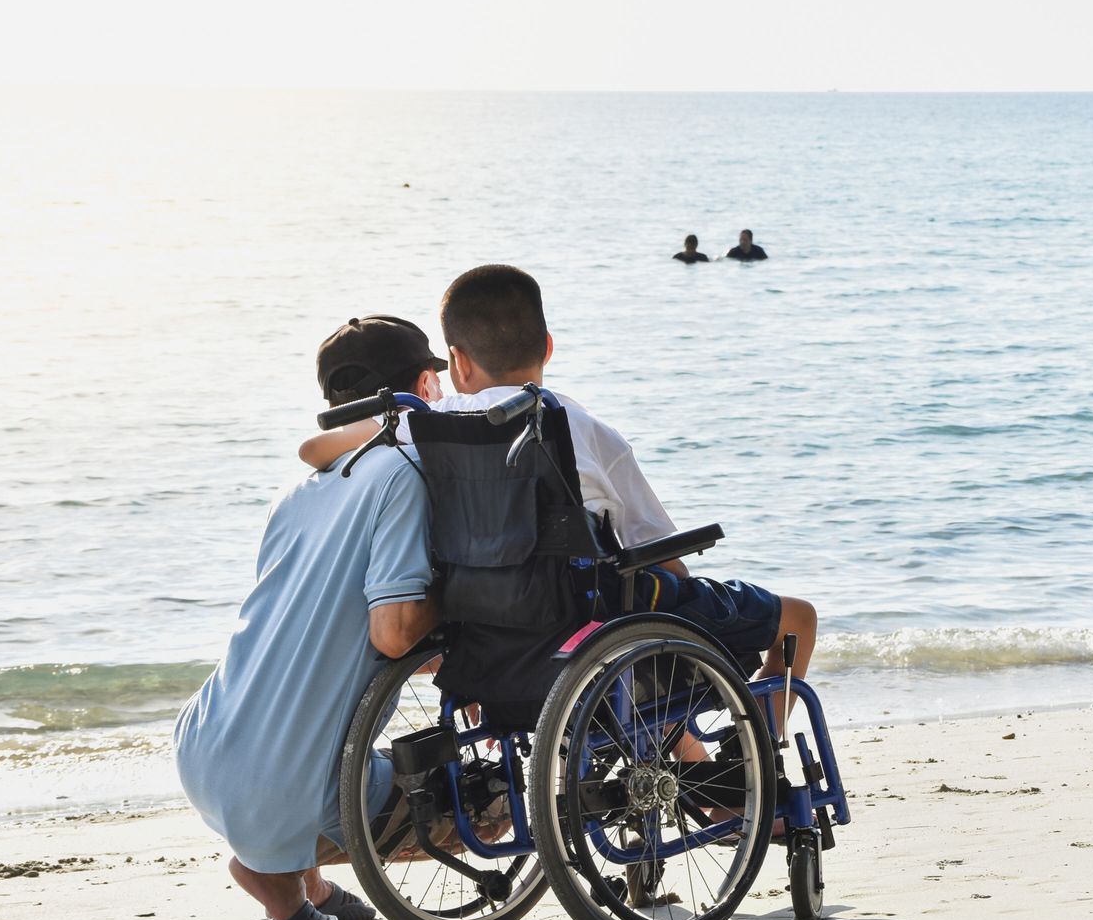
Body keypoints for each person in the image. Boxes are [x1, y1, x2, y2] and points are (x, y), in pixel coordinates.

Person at [301, 265, 816, 691]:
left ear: (457, 362)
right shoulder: (585, 428)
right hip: (583, 622)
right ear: (548, 346)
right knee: (798, 619)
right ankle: (760, 759)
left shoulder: (432, 423)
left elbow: (313, 448)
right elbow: (663, 556)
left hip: (484, 634)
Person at [175, 317, 446, 920]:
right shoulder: (402, 472)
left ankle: (298, 882)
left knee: (305, 732)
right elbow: (394, 634)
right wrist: (459, 603)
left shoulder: (296, 488)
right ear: (424, 386)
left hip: (204, 746)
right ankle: (279, 883)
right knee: (487, 805)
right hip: (279, 785)